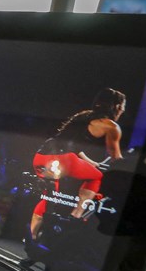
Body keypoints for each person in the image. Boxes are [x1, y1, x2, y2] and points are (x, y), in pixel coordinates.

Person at [32, 87, 126, 220]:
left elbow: (71, 145)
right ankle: (76, 215)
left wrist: (93, 163)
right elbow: (116, 157)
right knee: (97, 177)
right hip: (65, 160)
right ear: (116, 106)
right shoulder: (112, 127)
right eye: (122, 106)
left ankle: (33, 235)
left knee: (49, 198)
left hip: (42, 156)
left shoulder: (84, 116)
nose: (123, 110)